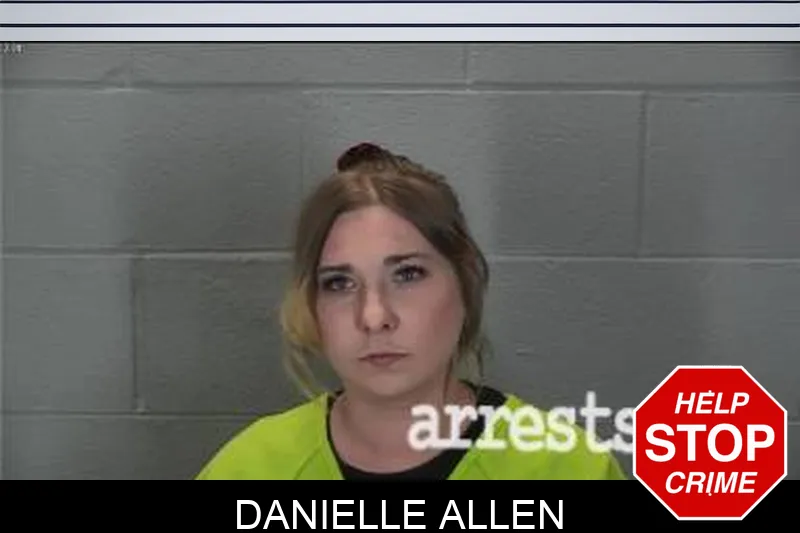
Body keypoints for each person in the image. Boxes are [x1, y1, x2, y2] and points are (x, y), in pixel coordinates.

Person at [196, 143, 626, 480]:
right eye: (339, 283)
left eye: (408, 274)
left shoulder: (566, 468)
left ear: (464, 280)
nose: (373, 317)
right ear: (311, 303)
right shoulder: (249, 468)